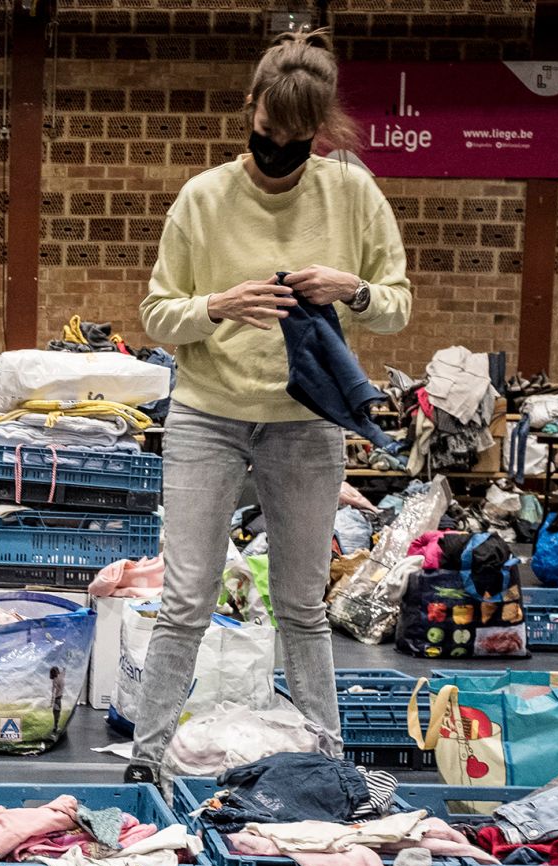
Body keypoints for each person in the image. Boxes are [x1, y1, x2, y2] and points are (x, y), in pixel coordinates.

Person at [126, 30, 412, 786]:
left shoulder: (352, 192)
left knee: (301, 606)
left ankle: (332, 762)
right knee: (186, 600)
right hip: (208, 414)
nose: (278, 149)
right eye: (267, 133)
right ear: (249, 108)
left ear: (317, 130)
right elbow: (157, 316)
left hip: (306, 421)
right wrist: (216, 305)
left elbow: (395, 306)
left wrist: (350, 288)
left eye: (296, 138)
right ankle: (147, 761)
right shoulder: (204, 197)